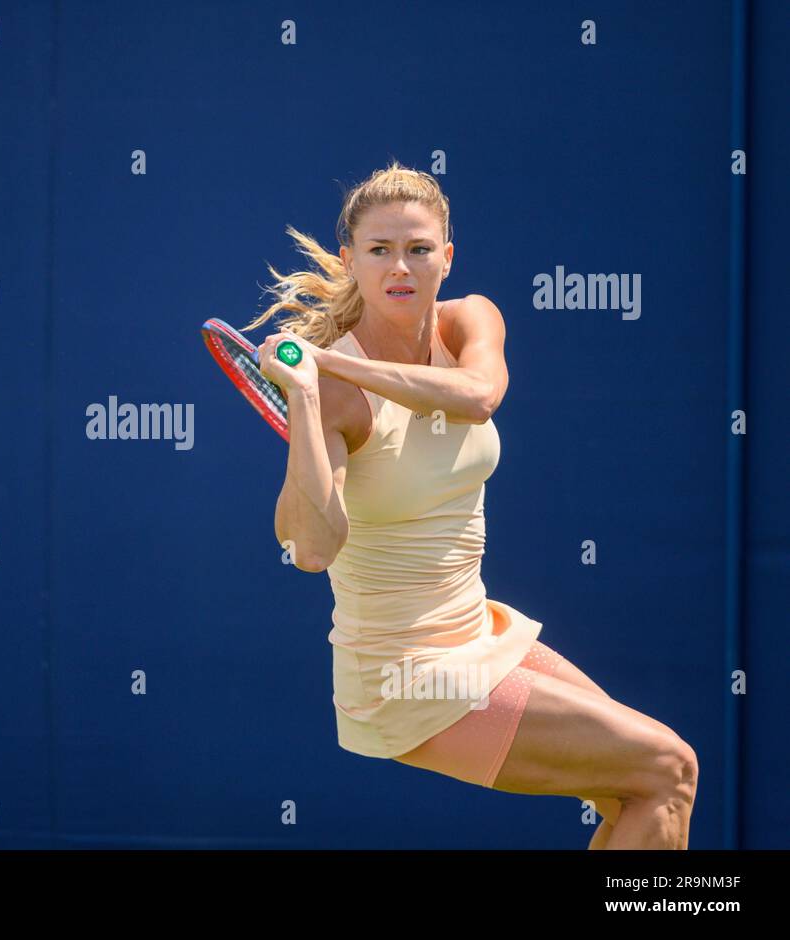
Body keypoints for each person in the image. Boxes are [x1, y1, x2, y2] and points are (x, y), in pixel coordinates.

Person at [243, 161, 698, 849]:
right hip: (402, 677)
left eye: (419, 248)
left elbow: (477, 397)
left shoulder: (468, 322)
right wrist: (307, 400)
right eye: (379, 250)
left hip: (477, 634)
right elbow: (310, 548)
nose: (401, 266)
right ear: (350, 260)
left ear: (447, 258)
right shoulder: (330, 392)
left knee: (640, 791)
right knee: (668, 766)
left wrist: (332, 363)